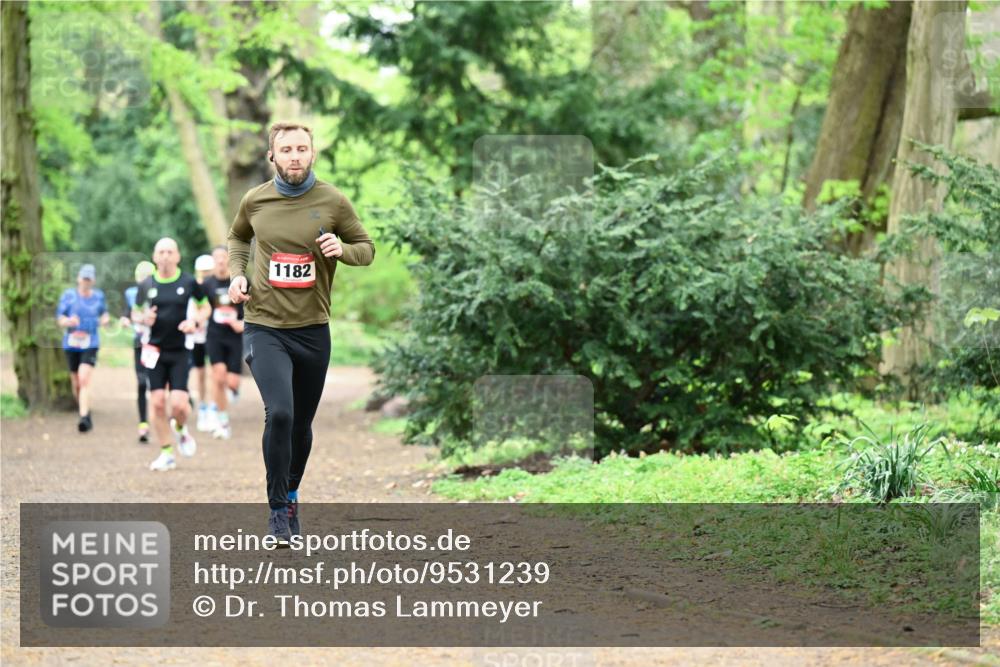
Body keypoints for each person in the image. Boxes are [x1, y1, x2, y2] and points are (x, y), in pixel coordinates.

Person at [228, 121, 375, 544]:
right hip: (264, 325)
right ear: (271, 156)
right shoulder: (255, 200)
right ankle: (277, 510)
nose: (294, 156)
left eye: (301, 149)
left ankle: (291, 494)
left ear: (312, 154)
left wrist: (342, 250)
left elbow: (366, 249)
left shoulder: (333, 201)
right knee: (281, 413)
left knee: (301, 425)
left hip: (312, 330)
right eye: (286, 150)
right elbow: (238, 238)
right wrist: (237, 274)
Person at [138, 238, 211, 471]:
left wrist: (195, 322)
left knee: (179, 405)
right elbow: (135, 313)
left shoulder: (189, 282)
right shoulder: (146, 284)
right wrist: (143, 318)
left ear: (178, 256)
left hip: (180, 350)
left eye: (170, 252)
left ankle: (180, 427)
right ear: (154, 256)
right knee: (158, 402)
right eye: (161, 252)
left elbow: (206, 307)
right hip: (154, 351)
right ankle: (166, 453)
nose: (166, 256)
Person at [56, 264, 110, 432]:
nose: (86, 282)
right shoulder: (69, 296)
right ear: (78, 279)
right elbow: (60, 319)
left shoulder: (98, 297)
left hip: (90, 342)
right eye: (83, 278)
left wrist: (105, 320)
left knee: (84, 378)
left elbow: (104, 313)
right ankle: (84, 407)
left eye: (89, 279)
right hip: (72, 343)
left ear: (93, 281)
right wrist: (68, 321)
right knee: (76, 382)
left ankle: (84, 417)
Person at [202, 245, 245, 440]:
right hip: (215, 335)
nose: (220, 260)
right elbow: (199, 307)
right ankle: (222, 419)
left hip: (234, 336)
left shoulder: (240, 281)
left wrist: (242, 323)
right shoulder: (207, 284)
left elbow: (253, 306)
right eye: (217, 257)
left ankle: (231, 393)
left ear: (229, 259)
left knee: (232, 382)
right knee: (218, 377)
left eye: (223, 256)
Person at [119, 260, 156, 443]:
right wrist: (125, 319)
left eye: (147, 277)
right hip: (140, 343)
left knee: (157, 384)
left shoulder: (159, 292)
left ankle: (164, 419)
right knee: (142, 383)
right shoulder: (131, 294)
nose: (144, 280)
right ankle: (143, 424)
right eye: (142, 277)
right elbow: (127, 313)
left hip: (157, 343)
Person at [192, 254, 215, 432]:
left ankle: (213, 407)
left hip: (214, 335)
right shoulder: (193, 288)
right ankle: (202, 406)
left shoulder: (215, 287)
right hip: (196, 336)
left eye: (208, 272)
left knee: (215, 372)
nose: (205, 276)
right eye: (202, 272)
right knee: (200, 373)